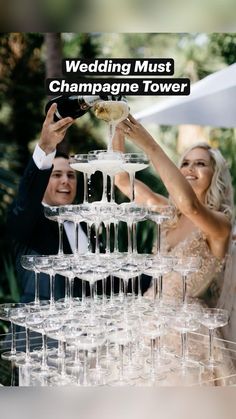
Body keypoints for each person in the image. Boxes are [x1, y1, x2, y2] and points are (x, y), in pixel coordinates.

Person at [7, 103, 88, 303]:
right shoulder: (30, 219)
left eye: (71, 175)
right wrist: (45, 148)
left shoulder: (86, 223)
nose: (65, 181)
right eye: (56, 175)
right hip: (39, 330)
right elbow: (26, 201)